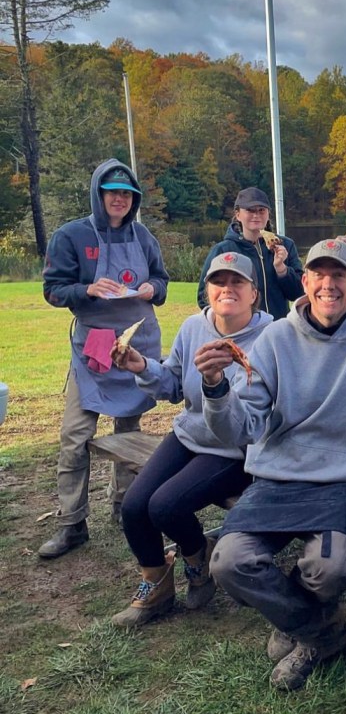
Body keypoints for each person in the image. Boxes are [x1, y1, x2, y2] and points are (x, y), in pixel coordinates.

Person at [197, 239, 346, 691]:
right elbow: (239, 429)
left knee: (331, 567)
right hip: (274, 479)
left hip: (340, 485)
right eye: (319, 274)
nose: (328, 284)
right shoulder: (274, 340)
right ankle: (321, 631)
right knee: (228, 562)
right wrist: (215, 387)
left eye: (339, 274)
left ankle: (296, 623)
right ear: (304, 282)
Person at [109, 253, 273, 627]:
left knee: (165, 506)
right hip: (190, 434)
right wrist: (142, 367)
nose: (227, 289)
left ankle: (199, 561)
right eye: (219, 282)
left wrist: (220, 384)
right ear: (207, 290)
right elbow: (172, 385)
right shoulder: (193, 327)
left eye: (237, 282)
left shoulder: (272, 336)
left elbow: (258, 417)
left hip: (236, 449)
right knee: (134, 507)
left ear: (253, 294)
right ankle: (157, 585)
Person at [40, 158, 169, 559]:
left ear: (134, 199)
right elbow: (53, 290)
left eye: (127, 194)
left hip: (136, 343)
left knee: (129, 431)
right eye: (112, 192)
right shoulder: (71, 235)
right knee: (75, 436)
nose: (119, 200)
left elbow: (162, 281)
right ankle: (72, 523)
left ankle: (124, 506)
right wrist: (88, 290)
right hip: (94, 347)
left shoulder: (143, 236)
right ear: (99, 194)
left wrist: (152, 289)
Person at [197, 186, 303, 319]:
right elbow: (204, 297)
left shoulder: (285, 245)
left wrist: (282, 270)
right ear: (238, 215)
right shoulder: (223, 250)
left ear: (268, 214)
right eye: (250, 210)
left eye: (261, 210)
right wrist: (231, 321)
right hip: (241, 329)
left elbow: (299, 293)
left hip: (277, 327)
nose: (256, 215)